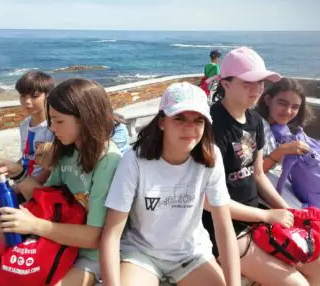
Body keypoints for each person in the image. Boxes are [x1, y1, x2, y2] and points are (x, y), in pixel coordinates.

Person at [202, 47, 320, 286]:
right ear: (225, 83)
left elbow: (257, 175)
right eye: (247, 82)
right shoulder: (211, 126)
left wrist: (289, 212)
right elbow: (207, 200)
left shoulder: (254, 121)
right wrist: (266, 215)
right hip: (224, 227)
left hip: (256, 216)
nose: (256, 89)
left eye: (261, 82)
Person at [100, 82, 241, 286]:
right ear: (161, 122)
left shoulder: (211, 157)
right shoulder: (135, 161)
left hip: (192, 254)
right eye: (180, 118)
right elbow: (111, 235)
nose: (189, 128)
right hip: (142, 254)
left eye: (198, 120)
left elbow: (223, 227)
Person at [0, 78, 122, 285]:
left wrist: (34, 225)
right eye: (51, 120)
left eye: (58, 121)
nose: (52, 128)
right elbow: (45, 200)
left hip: (87, 255)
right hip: (57, 241)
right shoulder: (68, 152)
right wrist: (19, 174)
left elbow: (94, 237)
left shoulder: (107, 160)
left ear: (85, 118)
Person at [255, 77, 320, 286]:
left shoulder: (281, 127)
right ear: (268, 99)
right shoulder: (257, 125)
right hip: (260, 189)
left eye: (295, 107)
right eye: (282, 103)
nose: (288, 111)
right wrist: (280, 152)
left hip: (270, 183)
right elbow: (254, 171)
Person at [0, 71, 55, 260]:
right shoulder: (25, 125)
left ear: (48, 96)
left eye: (34, 96)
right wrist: (2, 173)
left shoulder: (53, 128)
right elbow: (26, 158)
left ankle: (1, 272)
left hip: (37, 190)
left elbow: (48, 169)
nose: (27, 101)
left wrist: (17, 187)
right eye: (23, 96)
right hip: (21, 183)